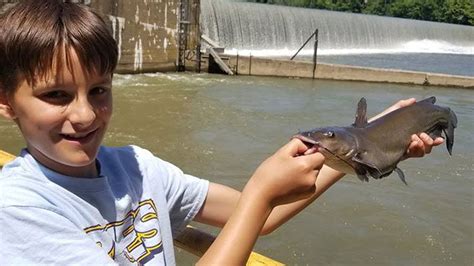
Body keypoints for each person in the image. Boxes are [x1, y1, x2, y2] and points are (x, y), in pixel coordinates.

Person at [0, 0, 443, 265]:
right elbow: (258, 203)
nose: (84, 115)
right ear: (6, 103)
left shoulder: (137, 167)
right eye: (56, 95)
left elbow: (262, 217)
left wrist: (372, 142)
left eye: (99, 90)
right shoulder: (17, 210)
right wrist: (259, 192)